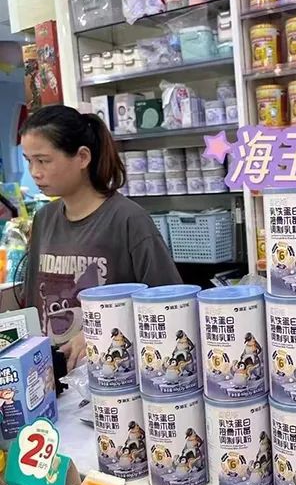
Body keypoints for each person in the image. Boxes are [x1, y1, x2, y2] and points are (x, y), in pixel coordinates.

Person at [21, 105, 183, 371]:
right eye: (29, 161)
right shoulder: (44, 218)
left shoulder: (129, 220)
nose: (34, 172)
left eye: (43, 160)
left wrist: (101, 333)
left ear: (82, 157)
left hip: (115, 374)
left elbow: (170, 307)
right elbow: (33, 304)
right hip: (54, 373)